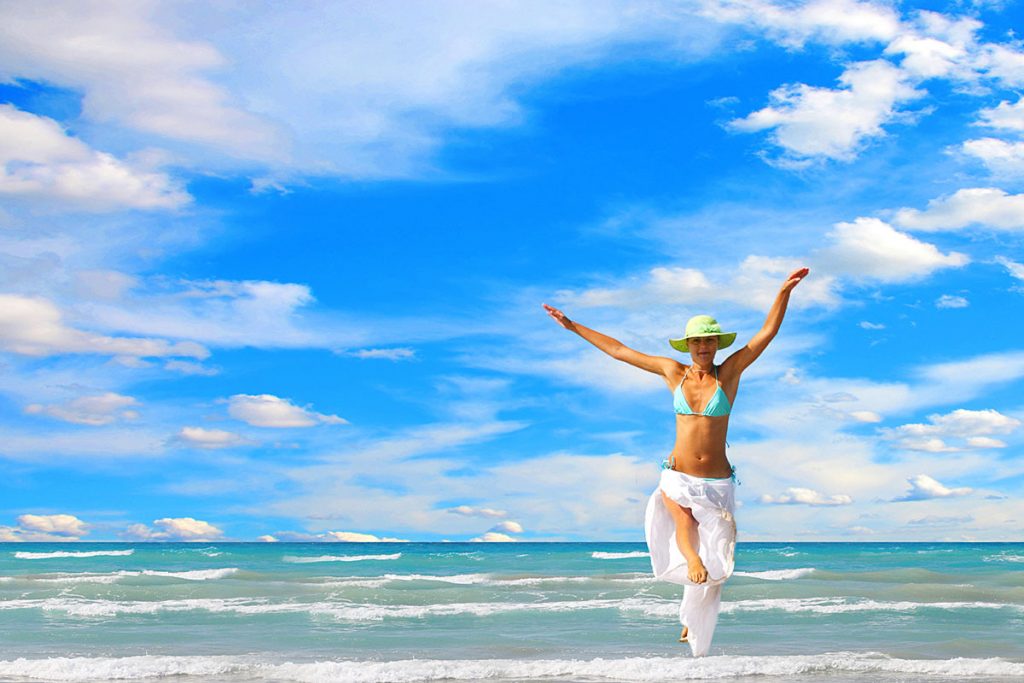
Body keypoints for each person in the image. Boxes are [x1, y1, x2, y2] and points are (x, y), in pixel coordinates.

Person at [542, 267, 809, 656]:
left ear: (717, 343)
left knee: (718, 566)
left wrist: (783, 292)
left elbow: (766, 334)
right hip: (678, 475)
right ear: (688, 345)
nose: (703, 347)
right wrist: (572, 326)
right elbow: (620, 350)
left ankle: (690, 617)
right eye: (697, 342)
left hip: (717, 482)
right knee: (686, 530)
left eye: (709, 341)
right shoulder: (674, 372)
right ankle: (690, 560)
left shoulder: (729, 372)